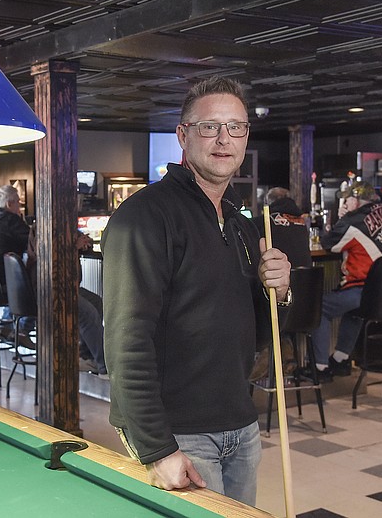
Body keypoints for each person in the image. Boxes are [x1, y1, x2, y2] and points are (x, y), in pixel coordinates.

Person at [101, 76, 291, 506]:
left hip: (241, 426)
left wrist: (275, 291)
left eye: (236, 127)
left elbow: (258, 336)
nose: (224, 139)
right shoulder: (144, 217)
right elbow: (126, 341)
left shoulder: (242, 224)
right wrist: (157, 448)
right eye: (210, 127)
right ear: (183, 136)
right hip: (179, 435)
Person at [310, 180, 382, 380]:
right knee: (353, 311)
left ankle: (319, 369)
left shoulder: (355, 220)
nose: (345, 203)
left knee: (318, 306)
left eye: (348, 199)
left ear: (356, 200)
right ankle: (340, 360)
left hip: (366, 293)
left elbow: (329, 243)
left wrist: (341, 219)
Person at [26, 226, 107, 377]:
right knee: (88, 313)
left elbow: (82, 238)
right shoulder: (44, 226)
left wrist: (84, 241)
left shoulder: (64, 222)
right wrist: (73, 247)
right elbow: (45, 256)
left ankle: (86, 356)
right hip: (48, 288)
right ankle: (104, 366)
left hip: (66, 286)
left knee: (96, 302)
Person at [249, 187, 312, 380]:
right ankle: (285, 352)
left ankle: (269, 352)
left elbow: (246, 233)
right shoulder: (302, 221)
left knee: (257, 297)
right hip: (307, 305)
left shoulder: (264, 221)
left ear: (269, 203)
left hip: (280, 305)